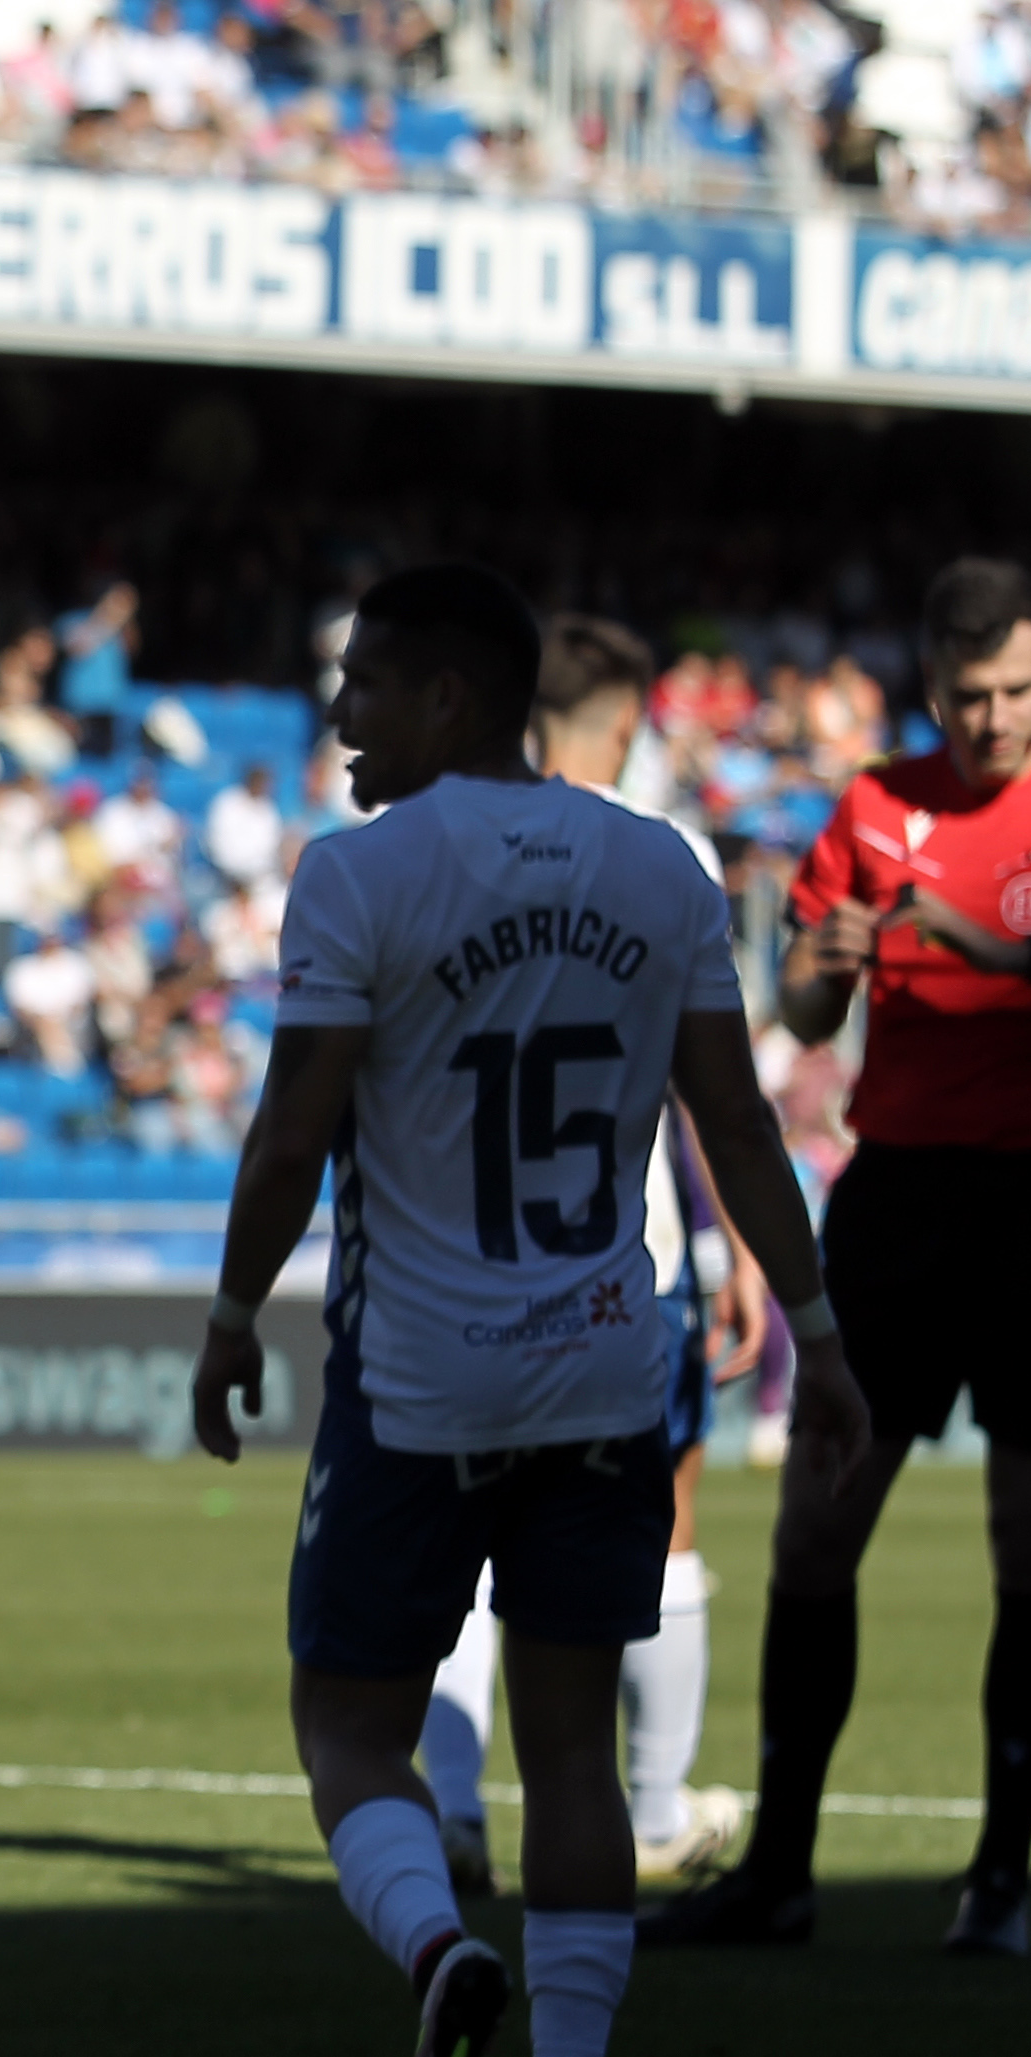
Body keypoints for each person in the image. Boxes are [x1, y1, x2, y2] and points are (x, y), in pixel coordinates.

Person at [191, 564, 866, 2057]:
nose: (337, 717)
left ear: (443, 698)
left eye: (361, 685)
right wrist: (815, 1330)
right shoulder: (658, 866)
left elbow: (291, 1132)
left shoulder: (354, 874)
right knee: (571, 1754)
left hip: (412, 1387)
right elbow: (734, 1119)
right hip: (598, 1376)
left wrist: (226, 1315)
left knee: (345, 1727)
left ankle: (433, 1946)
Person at [646, 559, 1031, 1959]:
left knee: (1030, 1535)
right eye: (969, 696)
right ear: (932, 689)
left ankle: (1002, 1882)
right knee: (815, 1525)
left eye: (1018, 693)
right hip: (899, 1201)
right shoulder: (872, 804)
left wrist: (1020, 962)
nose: (992, 719)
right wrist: (830, 961)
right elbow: (796, 1011)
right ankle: (781, 1874)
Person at [418, 616, 762, 1898]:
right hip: (628, 1262)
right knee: (658, 1529)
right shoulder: (668, 857)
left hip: (462, 1256)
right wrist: (738, 1258)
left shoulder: (440, 850)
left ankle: (454, 1808)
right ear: (625, 722)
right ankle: (657, 1812)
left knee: (464, 1533)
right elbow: (711, 1083)